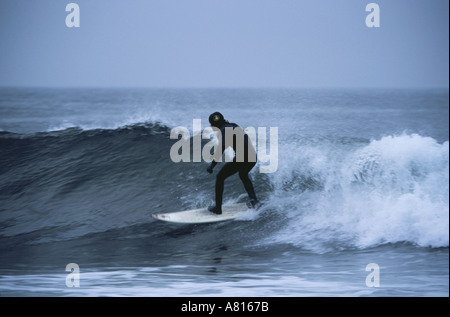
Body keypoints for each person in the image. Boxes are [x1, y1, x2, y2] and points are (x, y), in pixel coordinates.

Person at [206, 112, 259, 214]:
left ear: (214, 125)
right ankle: (254, 202)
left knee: (220, 177)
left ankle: (218, 208)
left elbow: (223, 146)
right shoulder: (234, 125)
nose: (210, 126)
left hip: (243, 157)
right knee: (243, 174)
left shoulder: (223, 130)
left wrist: (212, 165)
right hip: (253, 156)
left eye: (211, 125)